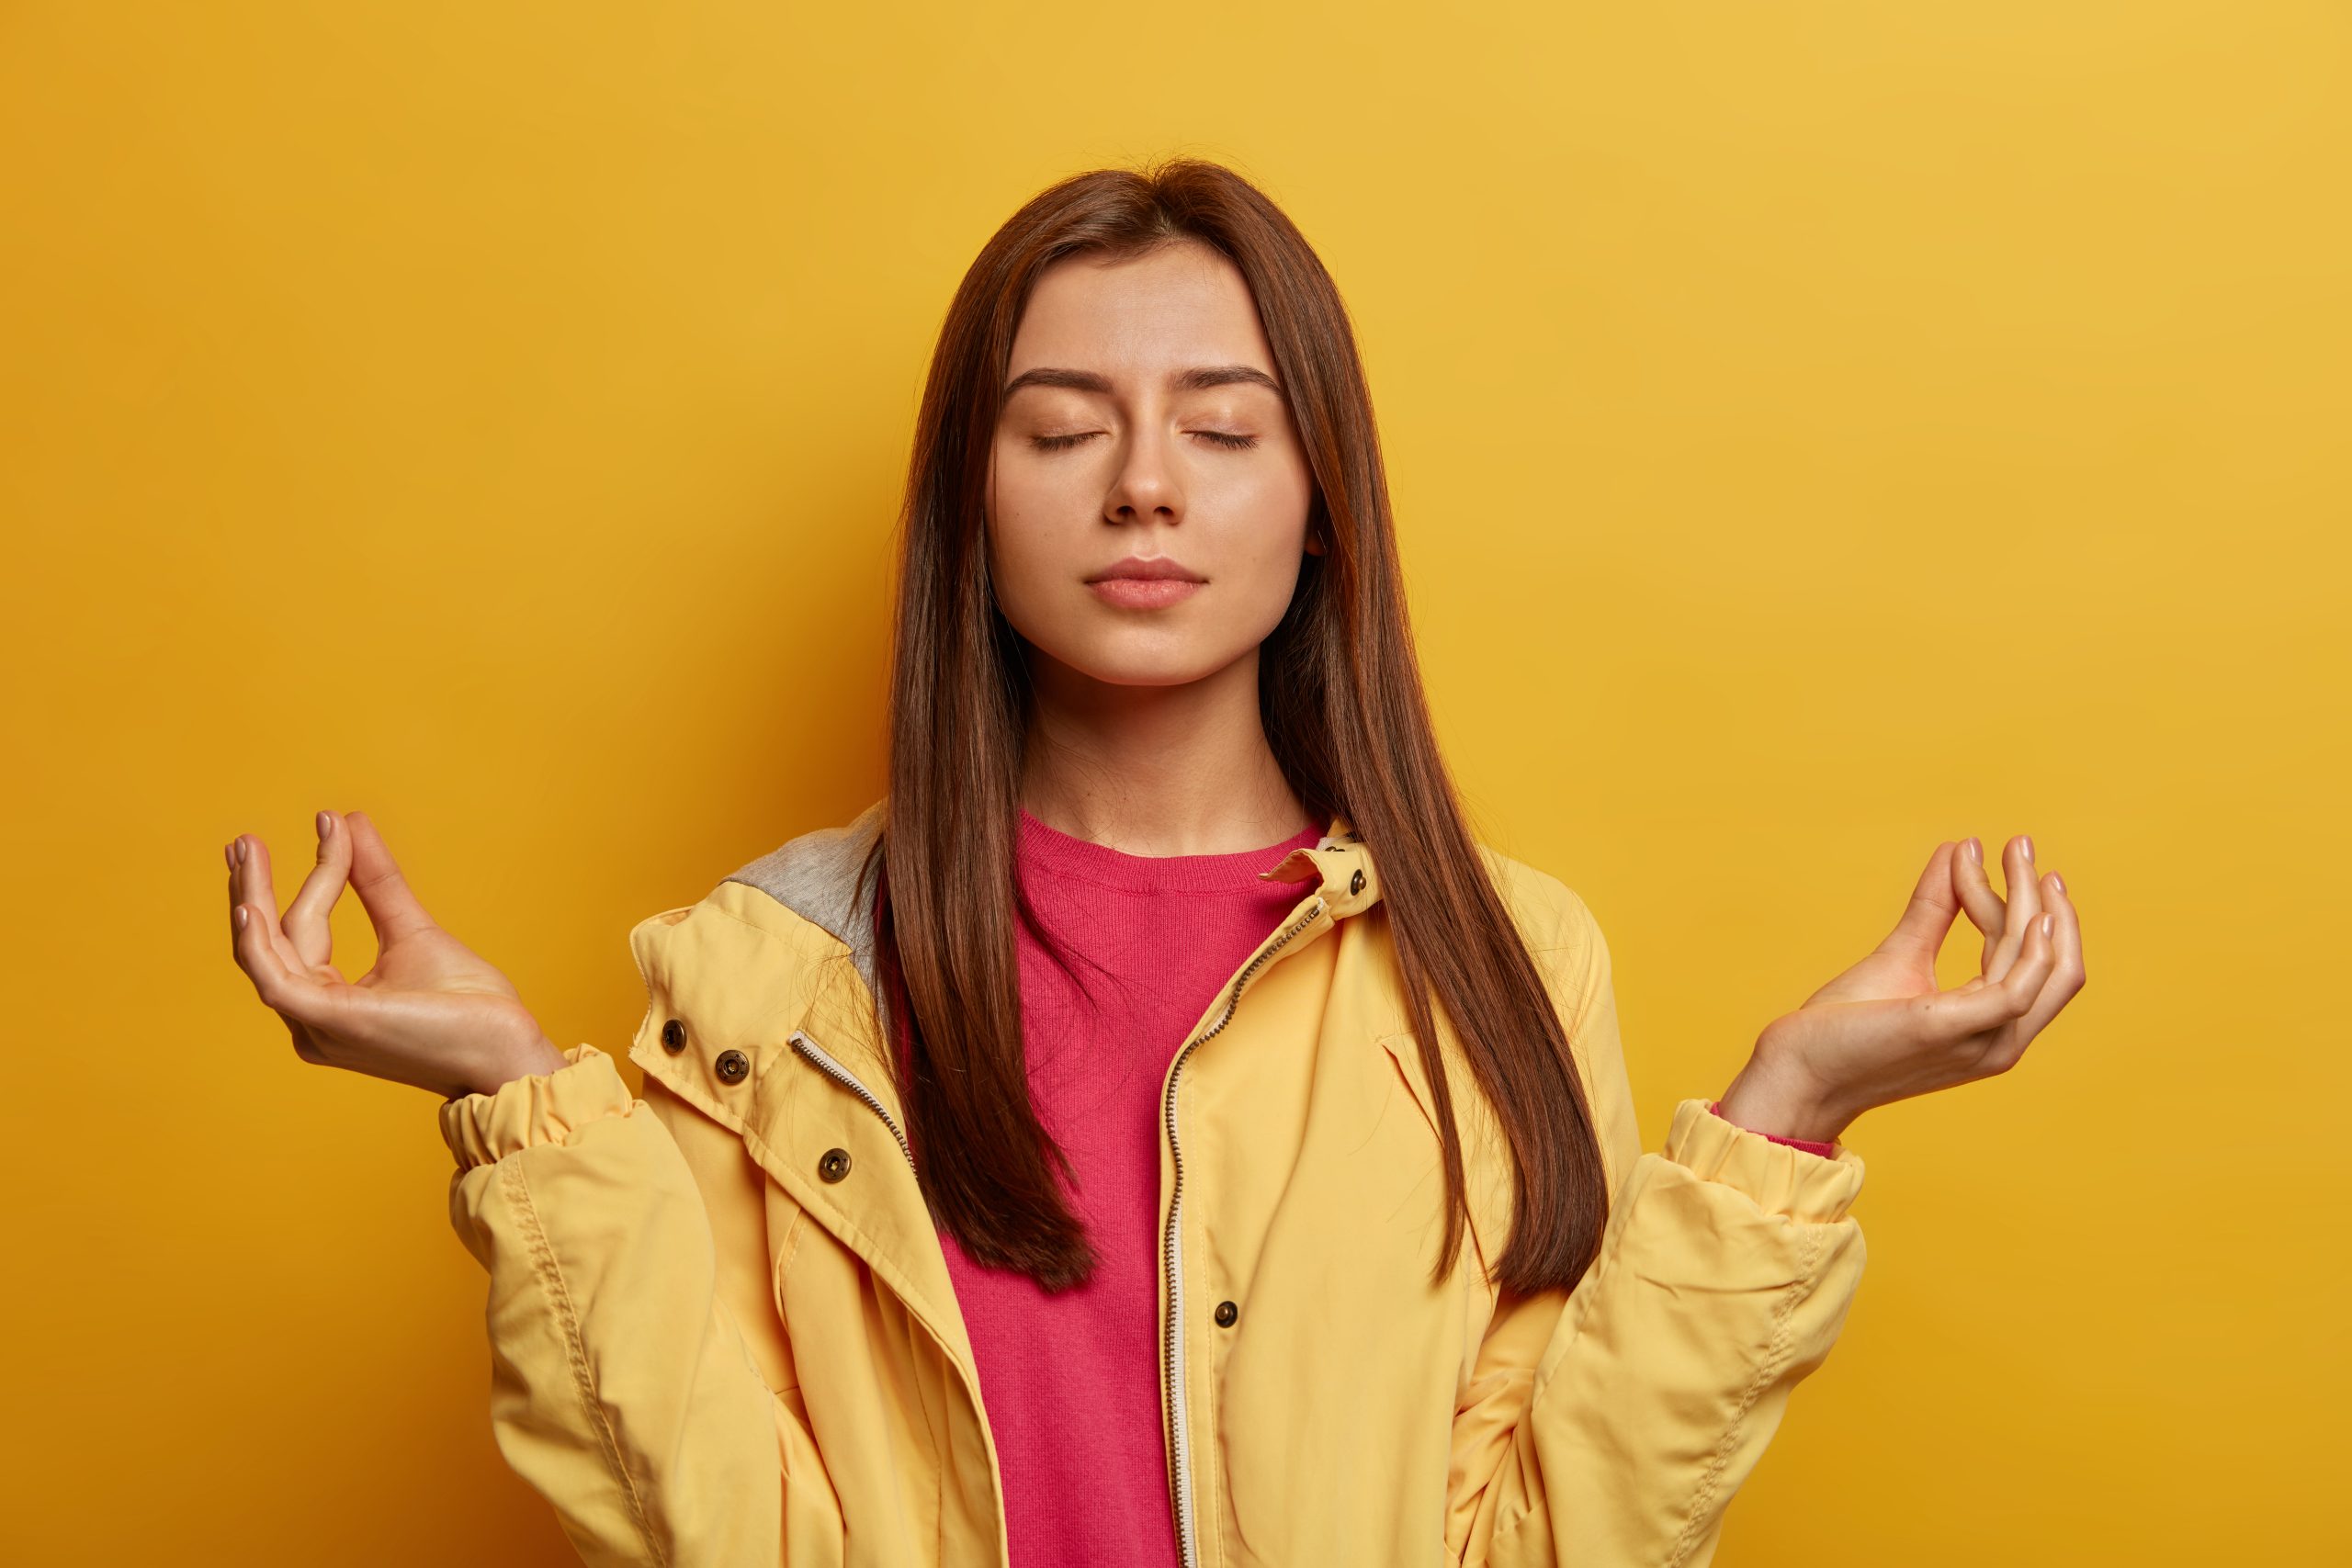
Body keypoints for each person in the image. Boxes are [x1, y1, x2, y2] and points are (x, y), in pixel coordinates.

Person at [222, 158, 2086, 1568]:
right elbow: (733, 1524)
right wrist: (510, 1104)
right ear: (975, 497)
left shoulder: (1504, 955)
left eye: (1219, 424)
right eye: (1060, 427)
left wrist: (1781, 1124)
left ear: (1316, 500)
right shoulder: (764, 975)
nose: (1141, 485)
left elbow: (1540, 1534)